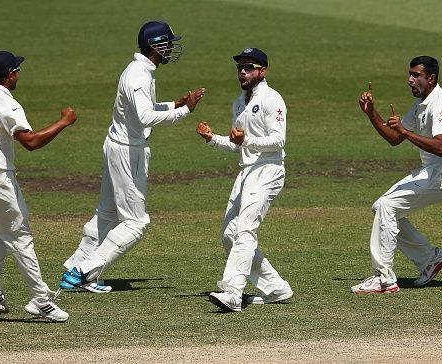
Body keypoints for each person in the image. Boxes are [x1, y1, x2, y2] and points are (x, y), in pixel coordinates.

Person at [61, 21, 206, 292]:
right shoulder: (138, 76)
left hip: (119, 146)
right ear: (155, 45)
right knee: (136, 224)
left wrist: (175, 103)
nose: (172, 48)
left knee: (107, 214)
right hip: (129, 152)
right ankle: (84, 272)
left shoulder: (141, 70)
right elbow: (145, 117)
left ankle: (75, 266)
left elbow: (145, 109)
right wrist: (185, 112)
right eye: (168, 43)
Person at [0, 50, 76, 322]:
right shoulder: (7, 103)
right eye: (17, 70)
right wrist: (64, 122)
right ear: (10, 75)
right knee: (20, 238)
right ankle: (41, 300)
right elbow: (30, 142)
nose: (19, 74)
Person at [352, 55, 442, 294]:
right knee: (382, 207)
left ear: (431, 78)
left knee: (387, 206)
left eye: (416, 75)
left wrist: (405, 132)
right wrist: (372, 113)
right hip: (433, 170)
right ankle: (430, 259)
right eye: (410, 74)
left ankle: (384, 279)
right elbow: (395, 138)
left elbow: (439, 147)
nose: (410, 79)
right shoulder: (421, 104)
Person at [196, 47, 293, 312]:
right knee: (229, 235)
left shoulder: (273, 99)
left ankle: (233, 292)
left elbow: (278, 140)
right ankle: (276, 288)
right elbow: (238, 144)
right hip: (247, 172)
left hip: (268, 170)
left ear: (262, 71)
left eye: (248, 67)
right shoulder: (239, 102)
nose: (242, 71)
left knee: (245, 230)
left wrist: (246, 140)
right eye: (240, 67)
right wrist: (212, 138)